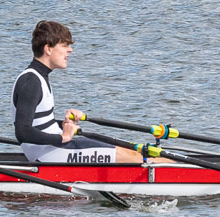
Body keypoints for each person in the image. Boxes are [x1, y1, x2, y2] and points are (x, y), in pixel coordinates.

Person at [12, 20, 143, 165]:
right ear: (48, 49)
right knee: (136, 158)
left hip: (54, 148)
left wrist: (65, 125)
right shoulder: (31, 82)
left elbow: (39, 123)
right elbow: (23, 131)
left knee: (134, 152)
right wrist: (62, 137)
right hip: (48, 154)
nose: (70, 50)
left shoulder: (38, 77)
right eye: (65, 45)